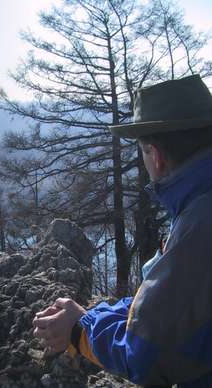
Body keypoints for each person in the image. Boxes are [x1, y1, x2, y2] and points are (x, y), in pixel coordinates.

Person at [31, 74, 212, 387]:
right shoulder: (198, 204)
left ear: (154, 154)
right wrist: (91, 315)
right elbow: (170, 304)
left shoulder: (200, 223)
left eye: (141, 152)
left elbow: (148, 355)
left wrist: (79, 330)